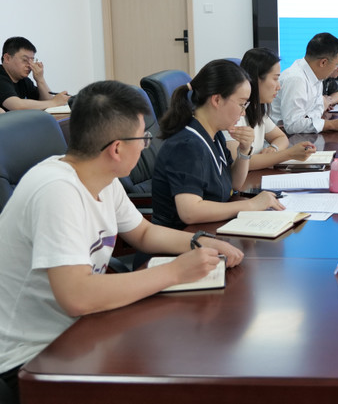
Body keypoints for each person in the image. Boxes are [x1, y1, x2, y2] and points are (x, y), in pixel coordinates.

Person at [0, 81, 244, 402]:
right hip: (30, 358)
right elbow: (77, 296)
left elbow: (143, 233)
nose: (145, 146)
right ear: (116, 149)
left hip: (81, 330)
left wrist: (202, 242)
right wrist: (175, 272)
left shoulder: (102, 176)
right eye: (143, 138)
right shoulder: (56, 191)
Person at [151, 59, 284, 231]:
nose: (243, 112)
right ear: (217, 100)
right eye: (241, 104)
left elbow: (234, 183)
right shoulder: (187, 145)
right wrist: (250, 205)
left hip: (209, 229)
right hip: (182, 238)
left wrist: (244, 151)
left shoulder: (215, 135)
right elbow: (190, 212)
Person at [224, 47, 318, 170]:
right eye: (275, 78)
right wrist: (288, 154)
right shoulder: (233, 114)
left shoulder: (258, 109)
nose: (279, 86)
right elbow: (239, 161)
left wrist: (273, 148)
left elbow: (281, 138)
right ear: (256, 79)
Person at [270, 33, 338, 133]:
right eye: (336, 64)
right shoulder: (295, 79)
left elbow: (319, 108)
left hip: (297, 135)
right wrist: (332, 124)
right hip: (281, 137)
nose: (336, 68)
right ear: (323, 62)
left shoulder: (316, 76)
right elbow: (293, 125)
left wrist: (308, 119)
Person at [0, 36, 70, 112]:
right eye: (25, 60)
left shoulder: (24, 81)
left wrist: (40, 79)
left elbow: (46, 103)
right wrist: (54, 102)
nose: (30, 65)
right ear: (7, 58)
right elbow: (17, 105)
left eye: (32, 60)